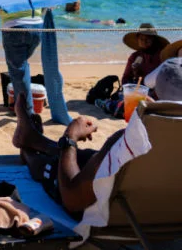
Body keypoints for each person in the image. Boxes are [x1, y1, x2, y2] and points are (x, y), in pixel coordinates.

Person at [12, 58, 182, 217]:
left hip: (117, 216)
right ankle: (35, 139)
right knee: (90, 158)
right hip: (168, 213)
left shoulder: (132, 140)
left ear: (154, 97)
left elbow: (72, 199)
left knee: (55, 166)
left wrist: (70, 137)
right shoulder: (164, 139)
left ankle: (28, 152)